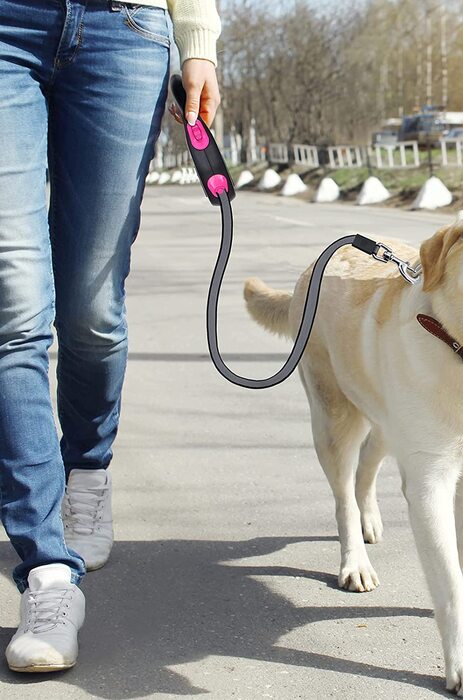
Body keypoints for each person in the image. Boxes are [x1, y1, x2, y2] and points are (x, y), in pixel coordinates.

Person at [0, 0, 221, 672]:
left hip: (125, 29)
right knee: (12, 301)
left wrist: (198, 41)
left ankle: (87, 471)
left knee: (93, 309)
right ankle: (47, 573)